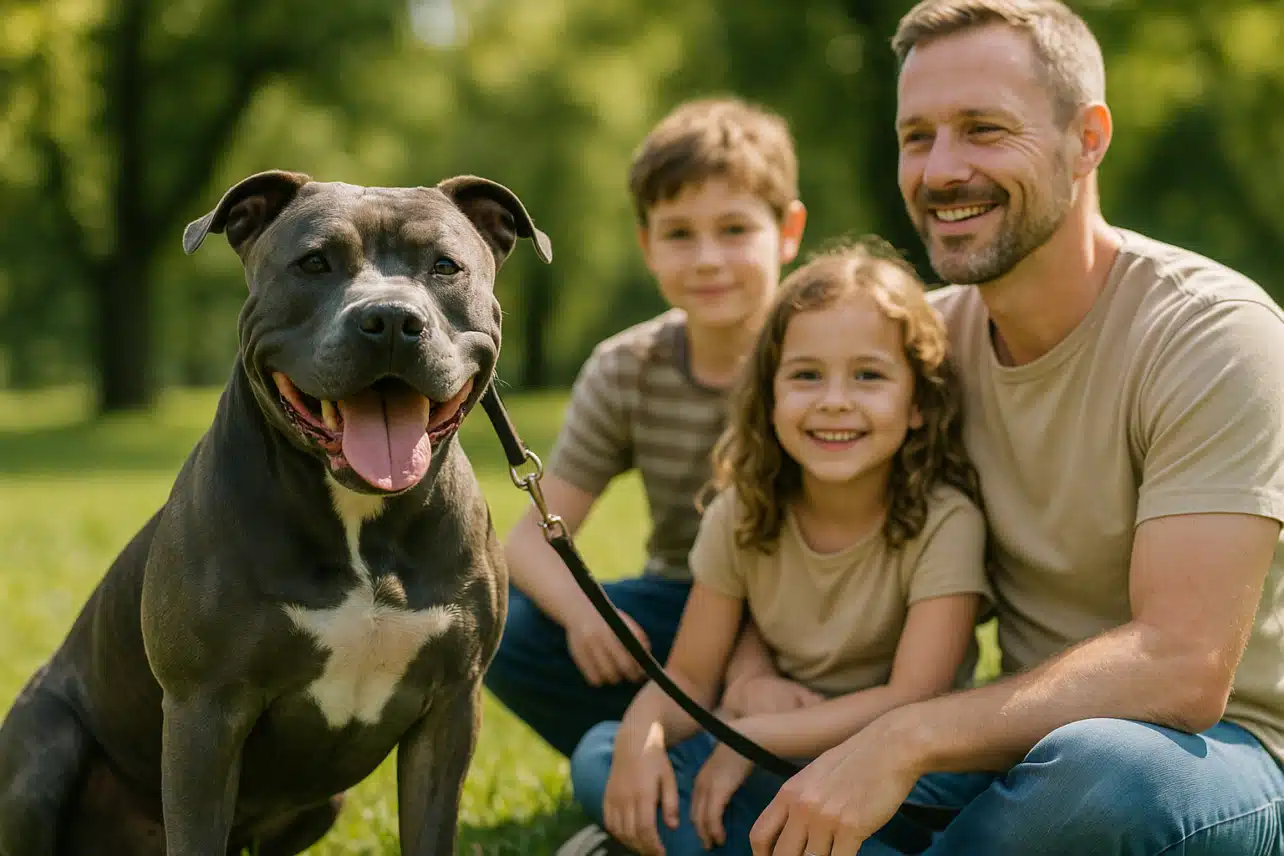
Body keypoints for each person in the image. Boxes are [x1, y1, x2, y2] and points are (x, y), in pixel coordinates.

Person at [742, 2, 1284, 855]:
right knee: (632, 759)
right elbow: (776, 504)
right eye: (916, 136)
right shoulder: (916, 344)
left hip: (1216, 759)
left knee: (1108, 778)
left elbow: (1184, 669)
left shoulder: (1211, 334)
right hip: (1006, 741)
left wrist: (903, 737)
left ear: (1088, 138)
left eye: (985, 129)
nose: (942, 170)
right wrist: (750, 677)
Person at [561, 238, 994, 856]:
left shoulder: (946, 521)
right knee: (602, 753)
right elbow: (689, 675)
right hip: (771, 752)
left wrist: (753, 737)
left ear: (919, 402)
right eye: (806, 375)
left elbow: (912, 699)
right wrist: (644, 730)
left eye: (869, 375)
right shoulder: (741, 513)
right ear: (768, 396)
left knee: (965, 801)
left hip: (896, 768)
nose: (834, 400)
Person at [482, 98, 811, 766]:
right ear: (646, 246)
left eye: (735, 228)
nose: (708, 258)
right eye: (680, 234)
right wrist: (586, 616)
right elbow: (530, 543)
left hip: (818, 601)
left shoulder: (827, 351)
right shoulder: (629, 367)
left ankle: (744, 744)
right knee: (499, 626)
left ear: (787, 231)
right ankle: (666, 753)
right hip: (684, 601)